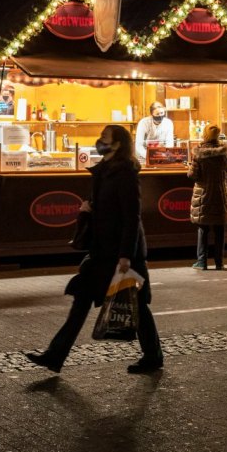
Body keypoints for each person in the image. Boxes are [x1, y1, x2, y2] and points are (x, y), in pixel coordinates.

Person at [25, 125, 164, 374]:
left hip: (121, 254)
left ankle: (153, 356)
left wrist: (125, 255)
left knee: (137, 306)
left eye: (104, 138)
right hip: (101, 251)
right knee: (81, 301)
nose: (100, 141)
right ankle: (55, 355)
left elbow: (131, 218)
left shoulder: (125, 174)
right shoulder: (103, 172)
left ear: (118, 144)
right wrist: (88, 208)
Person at [188, 124, 227, 270]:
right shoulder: (224, 153)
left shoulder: (198, 153)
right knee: (219, 229)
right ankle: (219, 262)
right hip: (220, 193)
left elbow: (193, 175)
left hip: (203, 194)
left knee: (203, 229)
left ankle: (202, 262)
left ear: (205, 135)